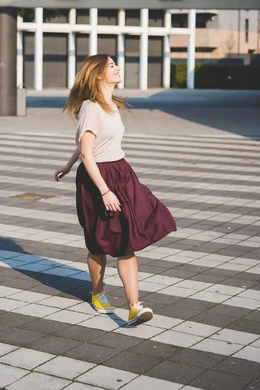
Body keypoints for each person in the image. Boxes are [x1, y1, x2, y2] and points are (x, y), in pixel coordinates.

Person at [54, 54, 176, 326]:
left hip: (121, 172)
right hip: (98, 178)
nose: (117, 68)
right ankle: (98, 293)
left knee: (126, 240)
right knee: (99, 241)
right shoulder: (90, 106)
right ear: (97, 74)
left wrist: (66, 164)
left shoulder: (111, 104)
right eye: (111, 65)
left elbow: (88, 144)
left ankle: (134, 306)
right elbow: (88, 152)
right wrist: (104, 191)